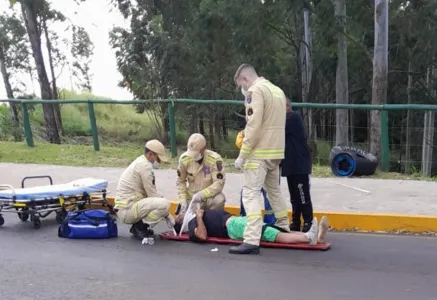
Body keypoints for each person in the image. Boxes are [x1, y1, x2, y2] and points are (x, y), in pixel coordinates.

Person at [232, 63, 290, 255]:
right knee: (274, 192)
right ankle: (284, 227)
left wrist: (243, 155)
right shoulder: (277, 90)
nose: (242, 89)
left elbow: (253, 125)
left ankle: (251, 240)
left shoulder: (254, 92)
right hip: (276, 151)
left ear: (245, 79)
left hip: (258, 153)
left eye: (241, 84)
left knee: (250, 194)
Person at [174, 208, 329, 250]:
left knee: (271, 228)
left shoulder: (194, 217)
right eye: (178, 217)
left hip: (236, 222)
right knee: (268, 233)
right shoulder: (194, 223)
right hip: (233, 227)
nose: (179, 214)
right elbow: (201, 236)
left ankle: (314, 236)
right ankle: (308, 238)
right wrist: (200, 217)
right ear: (182, 224)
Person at [114, 139, 174, 239]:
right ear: (150, 154)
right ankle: (140, 227)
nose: (158, 162)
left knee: (161, 202)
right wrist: (167, 214)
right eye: (157, 159)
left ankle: (138, 226)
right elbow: (152, 195)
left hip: (128, 207)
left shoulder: (140, 161)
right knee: (164, 204)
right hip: (127, 210)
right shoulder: (145, 166)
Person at [281, 99, 314, 233]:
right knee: (294, 195)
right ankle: (295, 221)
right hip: (290, 163)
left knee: (302, 194)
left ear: (287, 107)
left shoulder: (292, 117)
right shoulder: (286, 119)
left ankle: (308, 221)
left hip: (299, 162)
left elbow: (275, 125)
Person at [176, 133, 226, 215]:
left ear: (204, 149)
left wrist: (201, 195)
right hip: (191, 198)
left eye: (196, 152)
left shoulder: (214, 159)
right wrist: (182, 199)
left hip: (208, 198)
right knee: (182, 217)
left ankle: (213, 221)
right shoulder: (184, 159)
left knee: (220, 199)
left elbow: (219, 183)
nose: (193, 156)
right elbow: (180, 181)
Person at [236, 130, 275, 225]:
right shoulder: (248, 131)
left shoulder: (264, 127)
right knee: (250, 193)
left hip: (263, 165)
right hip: (258, 166)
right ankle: (246, 219)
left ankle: (267, 222)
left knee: (267, 194)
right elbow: (240, 142)